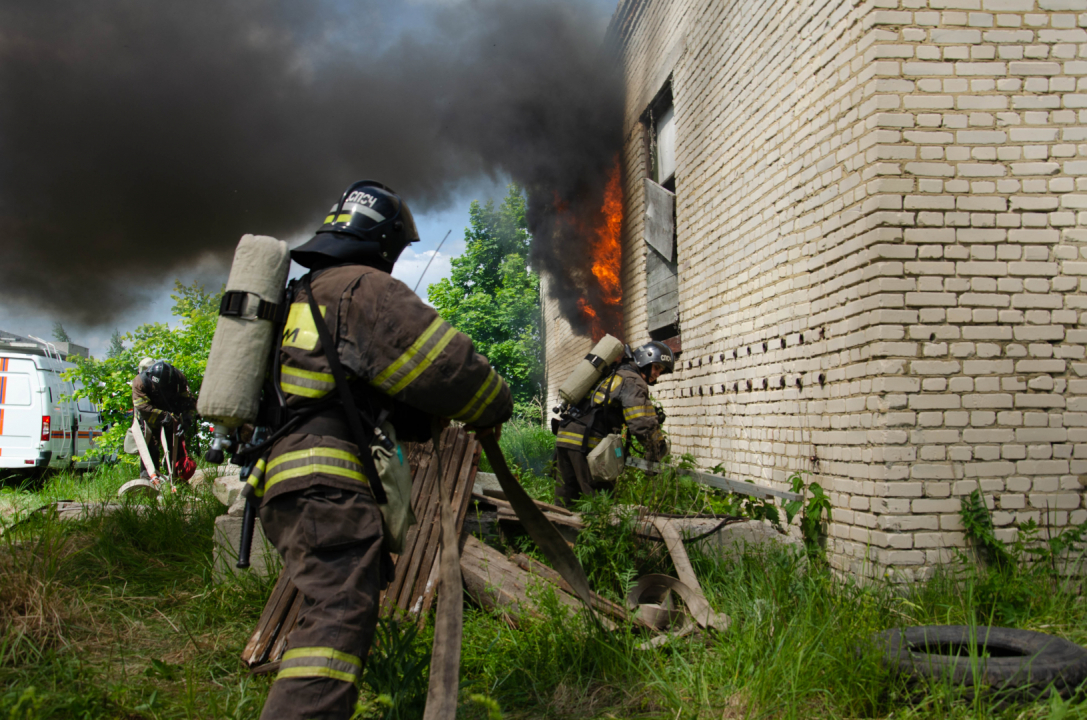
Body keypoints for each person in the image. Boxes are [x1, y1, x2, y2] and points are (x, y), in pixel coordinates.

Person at [247, 180, 512, 720]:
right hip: (325, 478)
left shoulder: (301, 293)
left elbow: (375, 394)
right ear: (385, 242)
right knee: (337, 615)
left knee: (331, 605)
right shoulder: (364, 290)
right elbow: (452, 370)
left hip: (280, 481)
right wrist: (494, 405)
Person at [553, 340, 674, 507]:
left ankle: (556, 531)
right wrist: (657, 449)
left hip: (565, 436)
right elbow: (641, 423)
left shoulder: (612, 373)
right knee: (600, 503)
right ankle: (602, 532)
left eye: (661, 371)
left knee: (565, 500)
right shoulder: (633, 380)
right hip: (587, 444)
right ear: (645, 360)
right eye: (656, 368)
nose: (657, 375)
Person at [131, 357, 196, 482]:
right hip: (148, 416)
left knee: (175, 448)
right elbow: (142, 407)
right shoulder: (140, 381)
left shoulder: (178, 378)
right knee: (149, 446)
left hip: (172, 414)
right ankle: (148, 479)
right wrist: (163, 416)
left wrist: (187, 420)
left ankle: (177, 480)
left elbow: (188, 401)